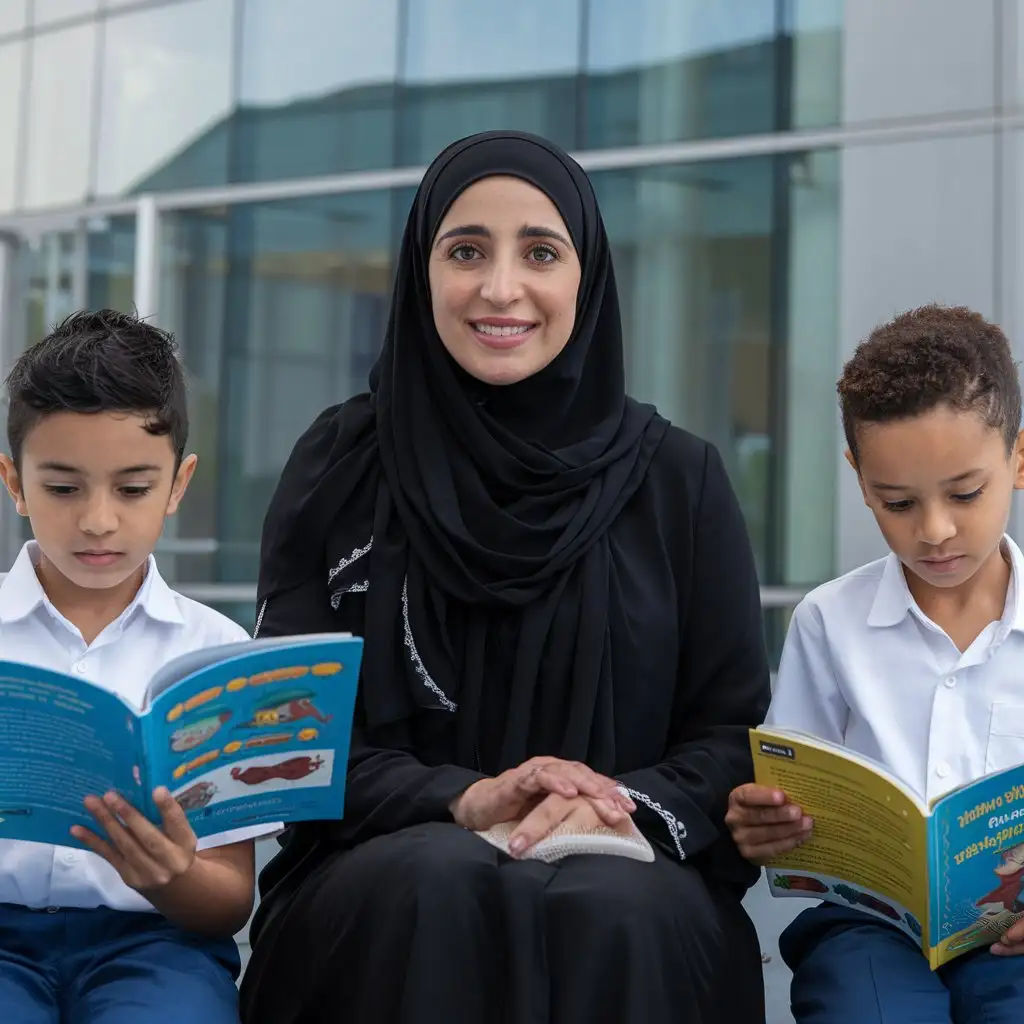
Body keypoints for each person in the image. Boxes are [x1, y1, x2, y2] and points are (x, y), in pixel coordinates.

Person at [239, 130, 771, 1024]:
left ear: (586, 276)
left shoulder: (680, 480)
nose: (500, 288)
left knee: (612, 904)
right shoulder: (341, 464)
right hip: (381, 875)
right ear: (421, 270)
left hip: (628, 873)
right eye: (466, 250)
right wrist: (460, 798)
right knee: (434, 878)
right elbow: (288, 730)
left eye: (540, 251)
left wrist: (616, 808)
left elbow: (727, 736)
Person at [726, 305, 1024, 1023]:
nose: (935, 530)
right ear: (860, 479)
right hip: (868, 928)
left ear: (1018, 460)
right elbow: (796, 790)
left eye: (965, 493)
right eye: (897, 503)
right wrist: (764, 823)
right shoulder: (830, 622)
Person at [0, 310, 278, 1023]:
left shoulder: (215, 654)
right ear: (15, 482)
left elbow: (227, 903)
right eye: (64, 488)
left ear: (178, 486)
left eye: (132, 488)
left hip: (157, 944)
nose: (98, 520)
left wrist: (174, 874)